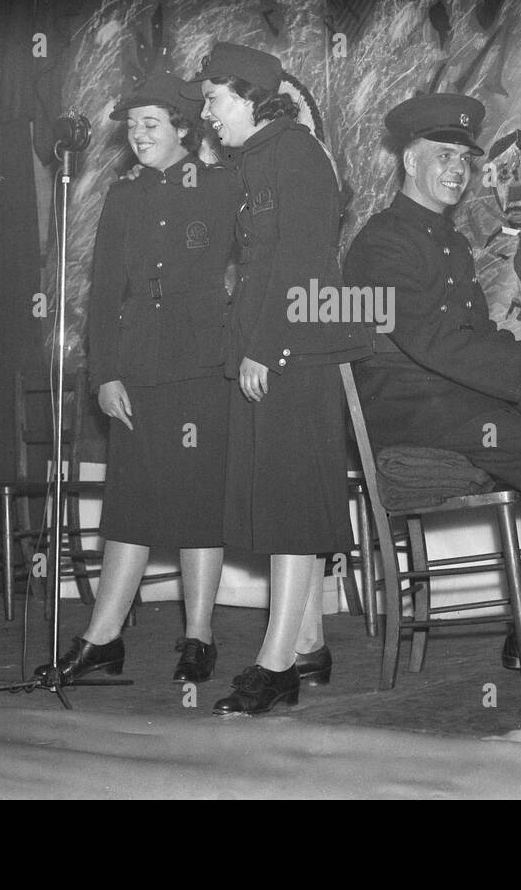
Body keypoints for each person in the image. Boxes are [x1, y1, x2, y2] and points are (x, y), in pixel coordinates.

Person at [342, 93, 521, 672]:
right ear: (408, 162)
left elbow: (475, 337)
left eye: (464, 160)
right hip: (409, 409)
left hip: (451, 400)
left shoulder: (448, 241)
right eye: (442, 156)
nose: (457, 171)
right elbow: (434, 344)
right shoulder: (385, 241)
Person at [182, 42, 369, 715]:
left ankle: (276, 663)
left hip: (296, 351)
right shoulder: (249, 160)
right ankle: (310, 643)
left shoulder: (295, 152)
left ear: (253, 96)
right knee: (276, 500)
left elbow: (301, 259)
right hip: (265, 348)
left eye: (214, 99)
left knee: (290, 508)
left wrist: (265, 346)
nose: (207, 114)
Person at [37, 71, 241, 686]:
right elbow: (104, 294)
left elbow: (256, 265)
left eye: (151, 124)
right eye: (131, 126)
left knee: (198, 500)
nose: (138, 135)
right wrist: (103, 374)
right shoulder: (122, 196)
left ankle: (199, 637)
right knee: (128, 504)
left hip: (204, 364)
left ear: (185, 127)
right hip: (139, 364)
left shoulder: (222, 186)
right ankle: (103, 638)